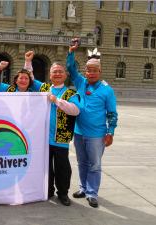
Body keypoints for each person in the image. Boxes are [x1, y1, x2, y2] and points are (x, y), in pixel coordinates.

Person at [67, 38, 118, 208]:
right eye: (88, 70)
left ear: (100, 72)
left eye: (95, 71)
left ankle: (92, 192)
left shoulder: (107, 90)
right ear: (86, 72)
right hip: (79, 132)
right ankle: (83, 188)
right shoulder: (81, 83)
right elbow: (71, 69)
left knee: (94, 165)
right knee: (82, 163)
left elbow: (112, 113)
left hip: (97, 134)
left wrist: (110, 132)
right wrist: (71, 52)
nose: (91, 73)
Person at [28, 54, 80, 206]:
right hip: (43, 137)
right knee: (45, 166)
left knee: (62, 167)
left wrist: (57, 101)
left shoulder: (71, 93)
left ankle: (63, 193)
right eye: (54, 72)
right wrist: (28, 61)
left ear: (65, 75)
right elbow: (29, 78)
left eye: (60, 71)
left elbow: (75, 110)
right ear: (49, 75)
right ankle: (48, 189)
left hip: (60, 138)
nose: (57, 74)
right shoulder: (43, 88)